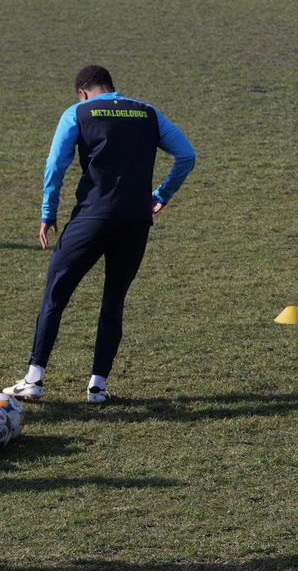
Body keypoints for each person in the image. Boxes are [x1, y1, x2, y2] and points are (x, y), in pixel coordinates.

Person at [3, 65, 195, 404]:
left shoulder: (77, 113)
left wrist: (48, 212)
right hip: (135, 220)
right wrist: (162, 194)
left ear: (83, 92)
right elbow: (187, 156)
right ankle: (97, 387)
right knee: (113, 301)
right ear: (110, 86)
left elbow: (55, 165)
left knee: (56, 295)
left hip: (91, 218)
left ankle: (34, 379)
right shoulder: (148, 113)